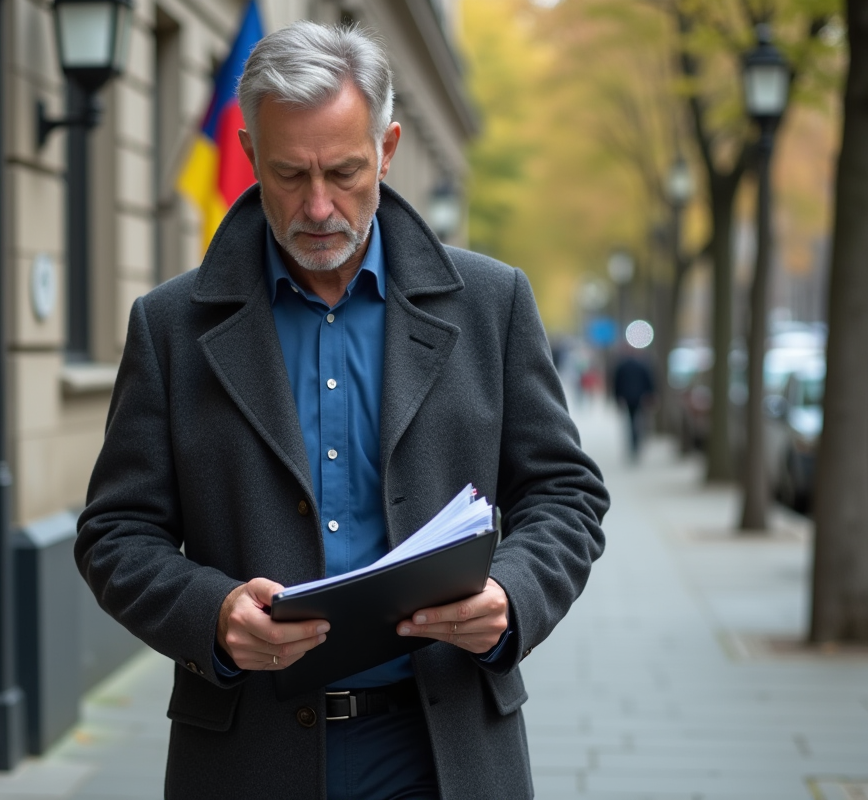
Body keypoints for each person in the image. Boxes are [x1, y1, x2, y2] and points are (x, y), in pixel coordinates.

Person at [76, 21, 608, 799]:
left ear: (389, 150)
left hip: (443, 747)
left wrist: (513, 597)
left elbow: (566, 495)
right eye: (290, 175)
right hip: (249, 754)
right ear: (251, 154)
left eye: (346, 172)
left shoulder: (494, 304)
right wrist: (214, 614)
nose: (319, 206)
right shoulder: (171, 326)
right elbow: (114, 534)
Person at [612, 347, 656, 460]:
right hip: (639, 397)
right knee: (638, 421)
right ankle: (636, 443)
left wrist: (617, 398)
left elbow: (616, 383)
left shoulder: (622, 365)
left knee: (631, 422)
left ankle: (633, 444)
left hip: (628, 397)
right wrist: (650, 395)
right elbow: (649, 381)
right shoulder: (642, 364)